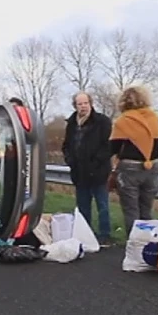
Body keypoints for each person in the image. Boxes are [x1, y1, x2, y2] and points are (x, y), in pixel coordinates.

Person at [109, 86, 158, 238]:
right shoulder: (154, 118)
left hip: (129, 168)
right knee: (146, 209)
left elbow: (113, 147)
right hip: (152, 166)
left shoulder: (123, 121)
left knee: (131, 210)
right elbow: (157, 143)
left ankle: (134, 246)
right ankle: (148, 245)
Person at [62, 92, 113, 245]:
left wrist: (96, 162)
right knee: (83, 206)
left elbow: (108, 145)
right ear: (75, 106)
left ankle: (105, 235)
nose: (83, 106)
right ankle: (86, 234)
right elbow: (66, 145)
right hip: (79, 172)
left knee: (102, 205)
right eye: (80, 104)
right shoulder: (72, 123)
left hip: (98, 171)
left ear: (90, 104)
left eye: (85, 103)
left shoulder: (102, 121)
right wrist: (70, 160)